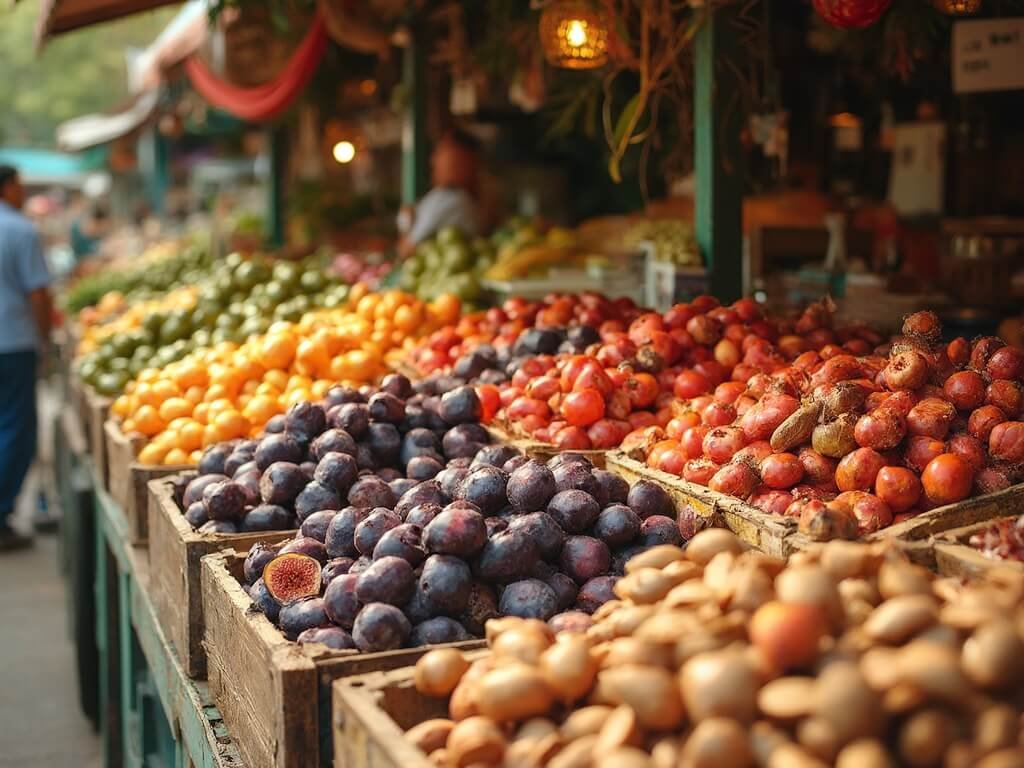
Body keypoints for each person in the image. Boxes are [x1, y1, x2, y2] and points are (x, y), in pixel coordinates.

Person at [0, 165, 52, 550]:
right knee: (17, 428)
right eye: (19, 184)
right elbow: (38, 294)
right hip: (13, 344)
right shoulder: (20, 229)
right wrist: (45, 340)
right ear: (8, 187)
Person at [397, 129, 482, 258]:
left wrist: (407, 225)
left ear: (460, 158)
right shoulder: (450, 197)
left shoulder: (452, 199)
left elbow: (406, 250)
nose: (433, 159)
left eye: (441, 151)